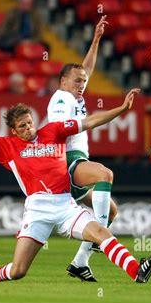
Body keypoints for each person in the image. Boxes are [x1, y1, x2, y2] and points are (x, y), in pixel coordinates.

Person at [0, 89, 151, 284]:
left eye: (30, 122)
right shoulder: (7, 146)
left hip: (65, 204)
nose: (29, 128)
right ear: (14, 131)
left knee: (100, 233)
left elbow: (89, 121)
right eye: (23, 126)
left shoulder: (53, 131)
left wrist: (121, 109)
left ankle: (136, 271)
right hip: (37, 209)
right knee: (18, 270)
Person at [47, 16, 116, 282]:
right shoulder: (62, 98)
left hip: (76, 159)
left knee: (111, 211)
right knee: (104, 175)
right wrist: (94, 119)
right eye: (77, 81)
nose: (82, 85)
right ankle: (101, 235)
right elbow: (61, 129)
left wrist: (96, 39)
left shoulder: (73, 92)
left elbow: (84, 70)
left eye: (83, 83)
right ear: (63, 81)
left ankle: (80, 262)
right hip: (67, 159)